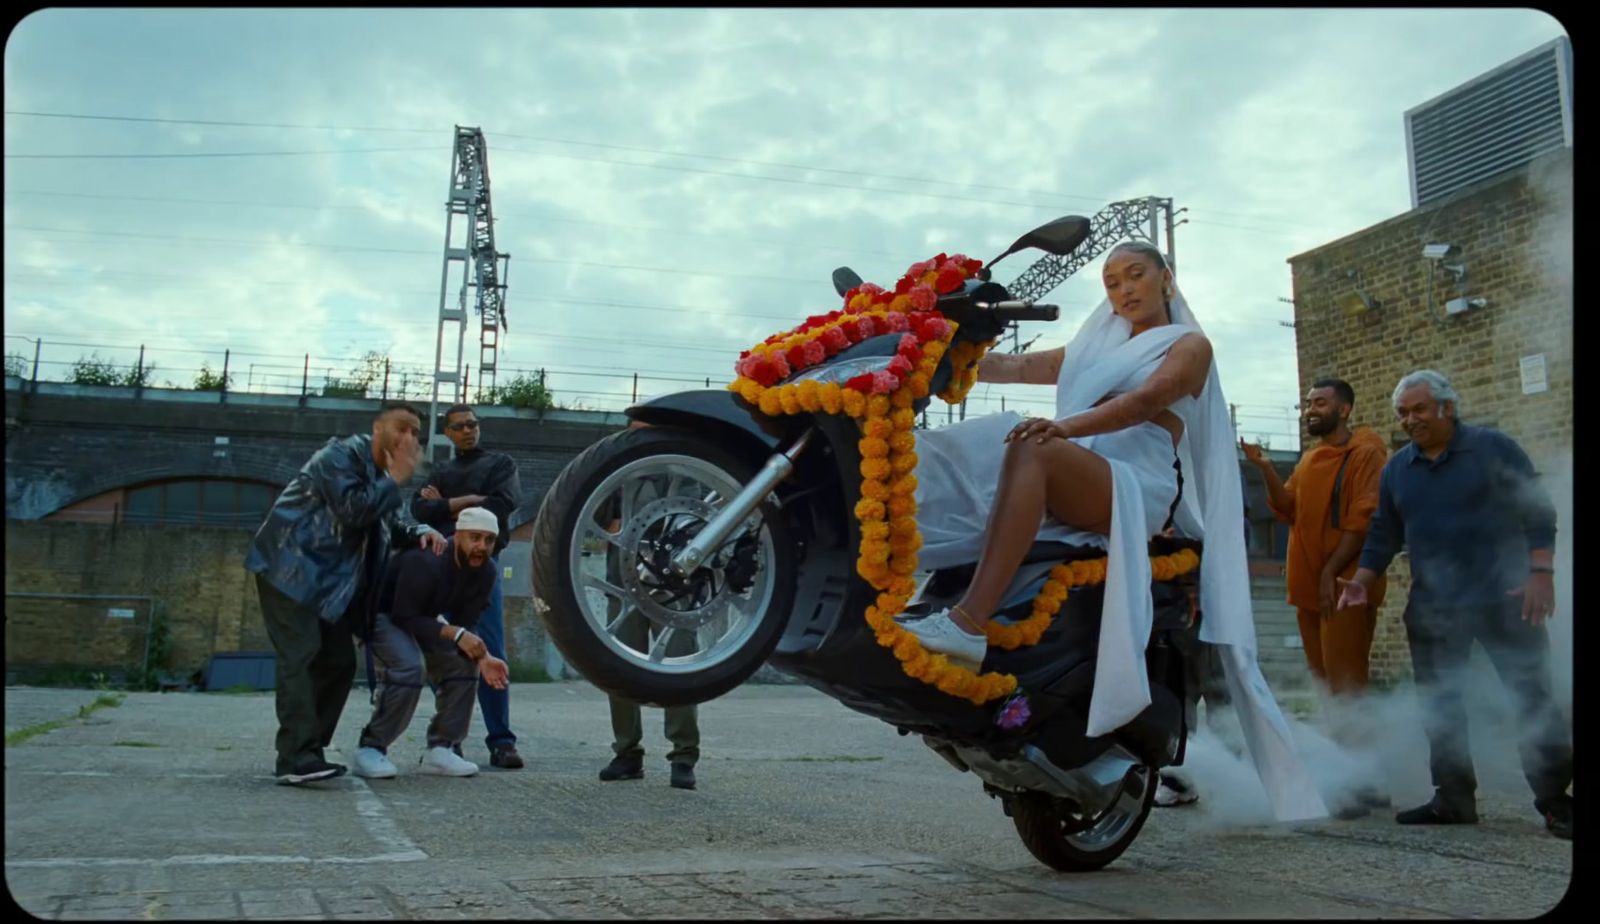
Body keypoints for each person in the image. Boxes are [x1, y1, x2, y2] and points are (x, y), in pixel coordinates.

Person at [907, 240, 1328, 822]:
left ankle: (968, 622)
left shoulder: (1189, 346)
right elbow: (1015, 367)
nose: (1125, 289)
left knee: (1028, 444)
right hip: (1078, 467)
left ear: (1166, 280)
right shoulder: (1093, 346)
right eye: (1112, 282)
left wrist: (1061, 428)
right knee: (949, 447)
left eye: (1136, 275)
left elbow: (1146, 401)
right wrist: (938, 346)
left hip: (1136, 484)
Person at [1336, 370, 1571, 839]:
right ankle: (1453, 799)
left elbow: (1538, 511)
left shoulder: (1492, 448)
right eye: (1402, 413)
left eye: (1419, 409)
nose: (1410, 420)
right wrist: (1363, 578)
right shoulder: (1399, 468)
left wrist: (1540, 573)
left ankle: (1554, 800)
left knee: (1530, 695)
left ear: (1447, 407)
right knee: (1440, 703)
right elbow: (1385, 531)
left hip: (1505, 598)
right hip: (1433, 606)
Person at [244, 403, 445, 785]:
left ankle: (309, 751)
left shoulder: (379, 474)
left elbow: (387, 523)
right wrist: (396, 479)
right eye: (401, 427)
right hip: (291, 570)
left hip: (329, 587)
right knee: (300, 659)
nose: (409, 438)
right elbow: (354, 509)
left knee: (338, 662)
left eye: (416, 432)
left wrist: (418, 531)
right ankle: (296, 756)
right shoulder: (338, 456)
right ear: (377, 428)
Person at [1244, 377, 1391, 819]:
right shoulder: (1310, 458)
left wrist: (1331, 570)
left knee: (1347, 685)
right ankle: (1343, 776)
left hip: (1344, 588)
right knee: (1326, 687)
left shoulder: (1365, 453)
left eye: (1319, 403)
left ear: (1343, 410)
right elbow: (1287, 508)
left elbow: (1363, 521)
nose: (1309, 410)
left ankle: (1364, 783)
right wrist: (1265, 468)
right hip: (1309, 589)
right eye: (1307, 403)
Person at [351, 507, 510, 779]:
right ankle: (371, 748)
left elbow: (466, 622)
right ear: (457, 535)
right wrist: (456, 634)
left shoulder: (487, 571)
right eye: (474, 537)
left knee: (464, 663)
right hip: (383, 614)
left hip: (420, 617)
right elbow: (405, 616)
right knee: (409, 667)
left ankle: (441, 749)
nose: (481, 546)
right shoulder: (427, 559)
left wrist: (483, 657)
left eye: (488, 540)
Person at [410, 403, 525, 769]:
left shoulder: (500, 464)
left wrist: (443, 506)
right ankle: (449, 739)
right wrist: (468, 502)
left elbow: (502, 504)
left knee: (490, 649)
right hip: (442, 566)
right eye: (459, 426)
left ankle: (502, 742)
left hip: (481, 565)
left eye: (472, 424)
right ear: (447, 432)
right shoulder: (441, 470)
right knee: (443, 651)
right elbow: (417, 510)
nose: (467, 431)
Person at [591, 517, 699, 790]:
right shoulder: (613, 475)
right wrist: (613, 523)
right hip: (623, 585)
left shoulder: (680, 474)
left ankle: (683, 756)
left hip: (673, 586)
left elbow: (695, 515)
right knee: (619, 671)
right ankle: (627, 753)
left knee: (680, 667)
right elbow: (594, 514)